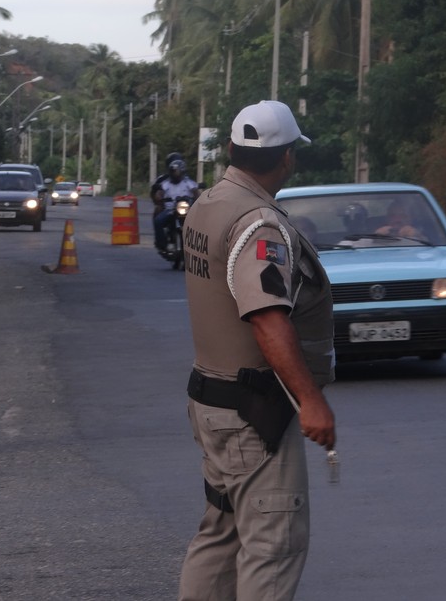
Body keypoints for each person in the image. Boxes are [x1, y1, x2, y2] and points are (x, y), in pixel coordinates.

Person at [178, 100, 336, 601]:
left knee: (221, 534)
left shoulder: (208, 204)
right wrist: (310, 400)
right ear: (287, 157)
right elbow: (267, 318)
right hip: (254, 413)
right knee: (273, 545)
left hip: (213, 400)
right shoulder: (259, 224)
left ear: (231, 149)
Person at [153, 158, 200, 251]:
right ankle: (162, 243)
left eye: (175, 171)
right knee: (158, 221)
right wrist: (159, 197)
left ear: (182, 171)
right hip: (170, 210)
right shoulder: (166, 183)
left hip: (187, 209)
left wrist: (200, 200)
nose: (173, 173)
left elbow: (196, 192)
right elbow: (159, 193)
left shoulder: (188, 182)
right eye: (172, 171)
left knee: (203, 222)